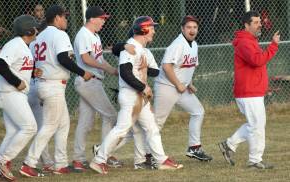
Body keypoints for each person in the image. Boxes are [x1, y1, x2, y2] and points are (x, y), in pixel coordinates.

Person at [90, 16, 183, 175]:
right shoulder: (131, 47)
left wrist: (171, 72)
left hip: (139, 97)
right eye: (151, 27)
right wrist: (142, 87)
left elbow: (152, 71)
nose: (154, 30)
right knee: (121, 129)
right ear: (143, 29)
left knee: (151, 128)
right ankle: (99, 160)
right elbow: (125, 73)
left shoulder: (141, 49)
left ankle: (161, 160)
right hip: (131, 95)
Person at [20, 5, 92, 177]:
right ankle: (29, 163)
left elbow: (33, 62)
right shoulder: (59, 34)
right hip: (52, 84)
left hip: (41, 83)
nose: (66, 19)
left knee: (63, 124)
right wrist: (82, 72)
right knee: (50, 126)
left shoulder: (38, 37)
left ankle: (60, 164)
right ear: (57, 18)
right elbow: (62, 58)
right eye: (64, 17)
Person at [218, 11, 280, 169]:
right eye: (256, 22)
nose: (260, 24)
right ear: (246, 25)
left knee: (255, 125)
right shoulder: (245, 42)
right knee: (257, 126)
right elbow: (257, 60)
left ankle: (229, 145)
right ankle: (254, 160)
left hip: (252, 91)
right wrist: (273, 46)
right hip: (248, 92)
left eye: (260, 22)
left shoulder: (250, 40)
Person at [153, 15, 212, 161]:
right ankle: (149, 155)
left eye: (194, 27)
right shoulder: (178, 44)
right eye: (188, 27)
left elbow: (188, 66)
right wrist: (179, 84)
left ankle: (194, 148)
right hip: (166, 87)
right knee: (155, 123)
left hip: (181, 88)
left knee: (198, 111)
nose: (192, 30)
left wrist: (189, 83)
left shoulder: (194, 44)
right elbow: (166, 66)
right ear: (182, 29)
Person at [71, 6, 121, 171]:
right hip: (88, 81)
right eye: (101, 18)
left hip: (92, 81)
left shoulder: (95, 36)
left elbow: (99, 59)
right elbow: (85, 59)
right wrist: (106, 69)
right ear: (92, 19)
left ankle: (78, 159)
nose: (103, 21)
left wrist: (114, 70)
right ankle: (104, 154)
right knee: (111, 116)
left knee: (86, 121)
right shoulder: (83, 34)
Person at [0, 15, 39, 181]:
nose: (37, 29)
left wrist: (32, 73)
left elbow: (17, 66)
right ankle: (2, 161)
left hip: (13, 93)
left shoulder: (24, 46)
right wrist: (17, 81)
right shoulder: (15, 44)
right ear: (28, 30)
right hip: (9, 92)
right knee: (29, 127)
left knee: (13, 131)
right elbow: (0, 64)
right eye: (35, 27)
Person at [28, 20, 55, 173]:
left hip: (33, 86)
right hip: (36, 85)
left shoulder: (32, 44)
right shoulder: (45, 41)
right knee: (42, 126)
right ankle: (45, 161)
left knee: (37, 126)